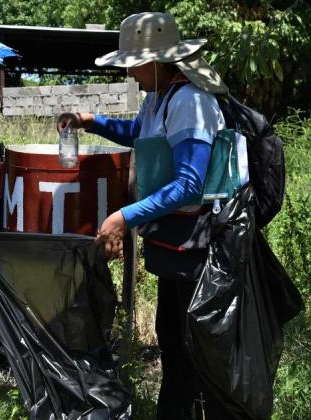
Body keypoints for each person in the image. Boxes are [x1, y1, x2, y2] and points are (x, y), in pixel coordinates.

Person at [57, 12, 239, 420]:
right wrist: (91, 122)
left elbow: (190, 183)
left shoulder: (190, 101)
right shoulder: (160, 95)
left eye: (134, 65)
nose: (131, 73)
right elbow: (137, 135)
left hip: (197, 246)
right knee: (174, 343)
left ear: (156, 61)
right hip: (174, 243)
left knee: (194, 350)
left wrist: (124, 215)